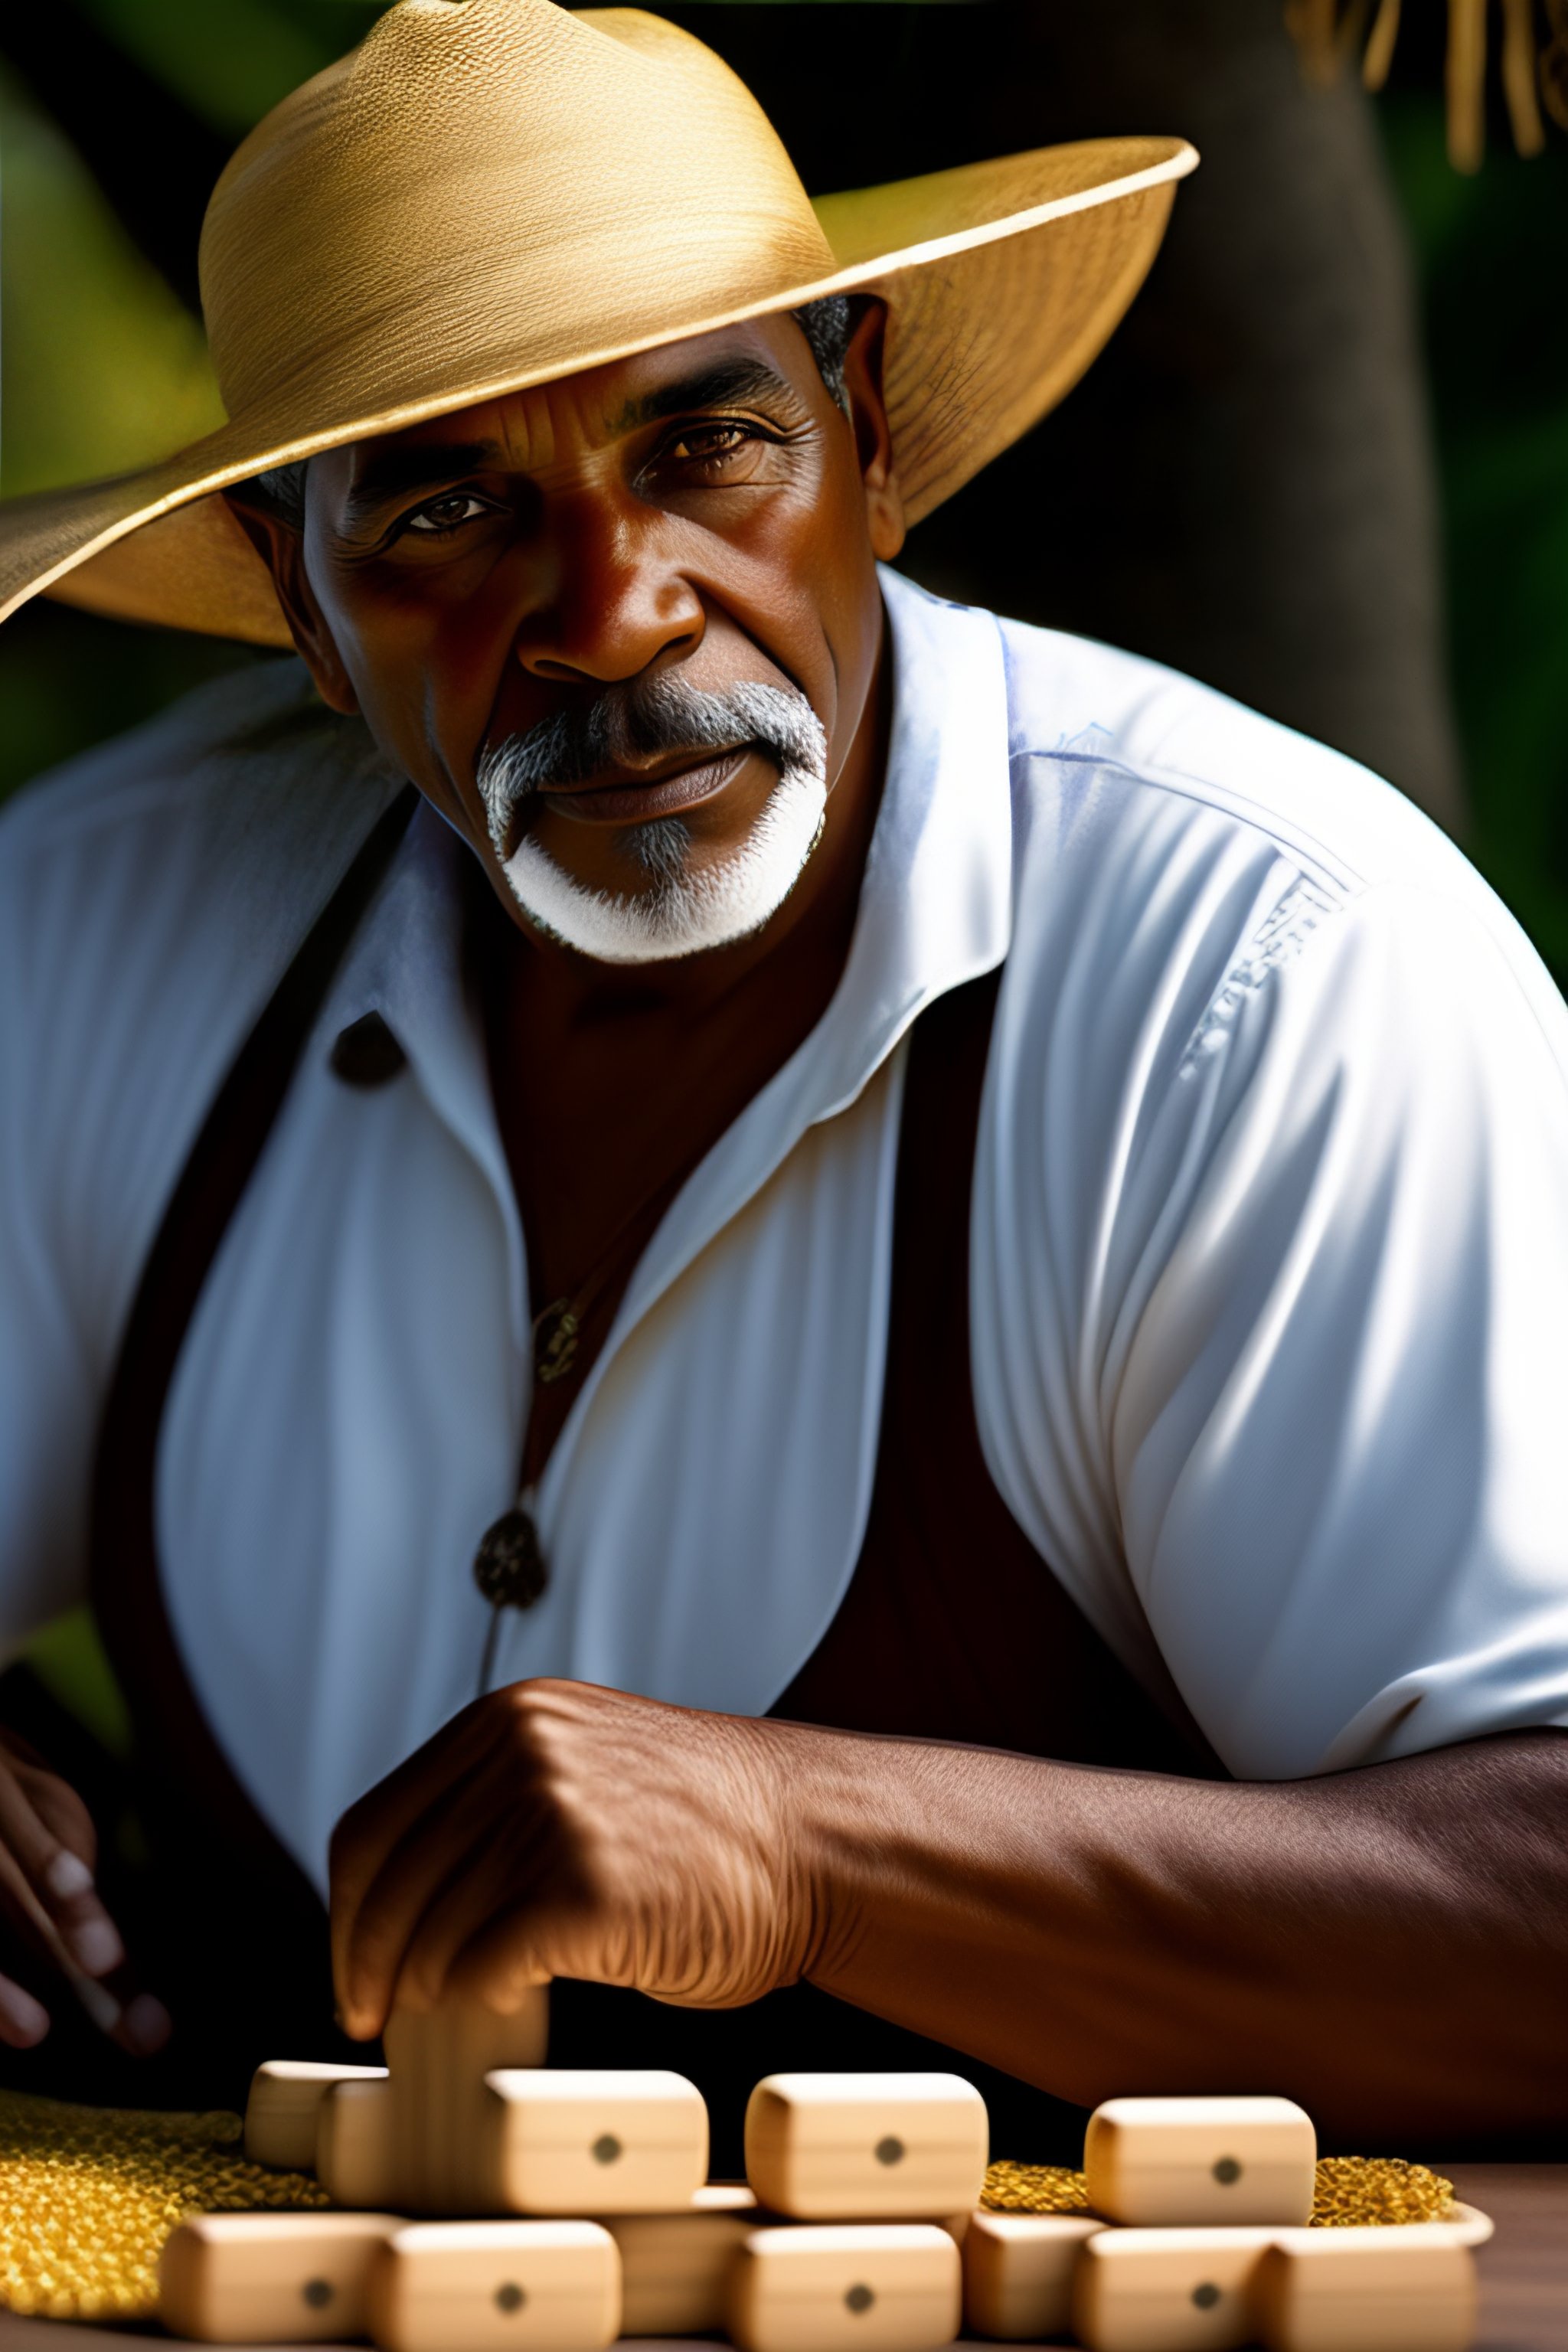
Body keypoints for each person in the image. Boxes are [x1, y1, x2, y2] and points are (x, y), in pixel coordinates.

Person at [0, 0, 1563, 2158]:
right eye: (444, 508)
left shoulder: (1264, 965)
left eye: (705, 447)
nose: (616, 615)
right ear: (298, 597)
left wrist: (803, 1849)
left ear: (874, 435)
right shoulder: (95, 927)